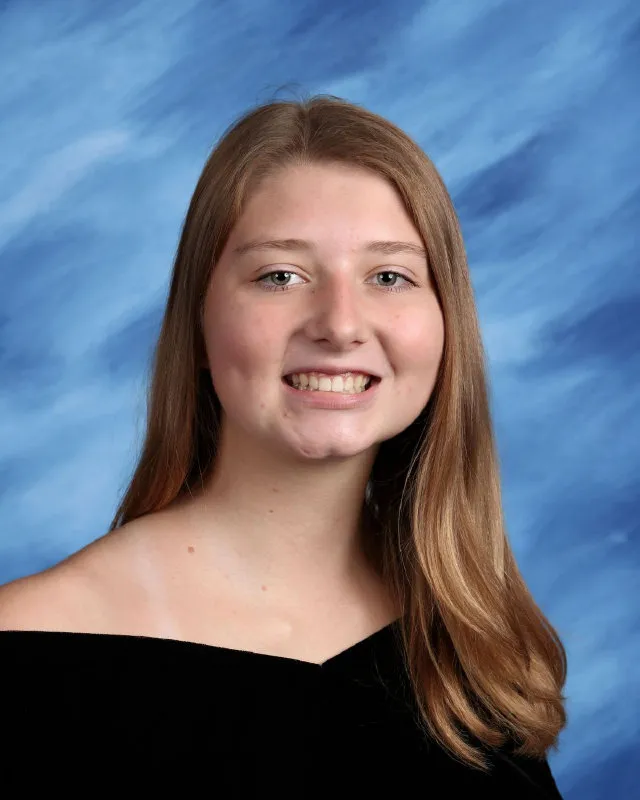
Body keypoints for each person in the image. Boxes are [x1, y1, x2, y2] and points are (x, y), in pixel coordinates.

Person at [0, 93, 567, 795]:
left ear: (448, 322)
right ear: (198, 325)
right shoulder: (28, 651)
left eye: (389, 276)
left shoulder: (468, 638)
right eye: (280, 276)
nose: (340, 324)